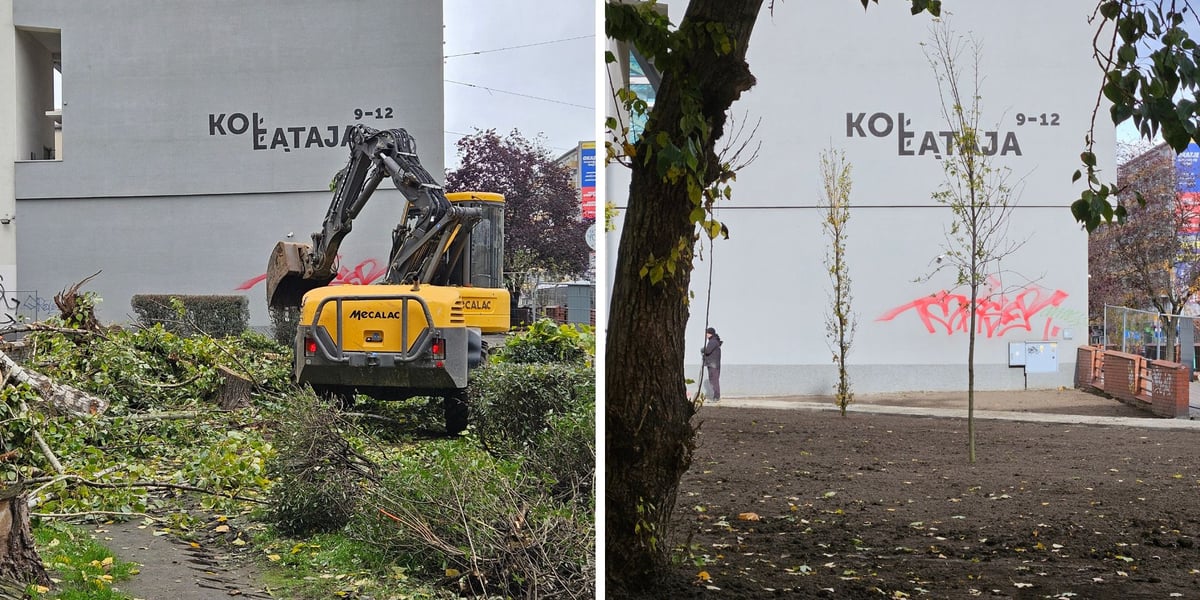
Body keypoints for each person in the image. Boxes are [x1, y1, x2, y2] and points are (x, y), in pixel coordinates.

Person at [701, 327, 722, 402]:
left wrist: (703, 349)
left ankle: (716, 397)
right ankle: (715, 396)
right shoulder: (713, 341)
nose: (706, 335)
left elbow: (707, 351)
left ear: (710, 333)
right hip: (713, 364)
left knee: (714, 381)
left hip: (713, 365)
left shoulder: (713, 341)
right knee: (713, 380)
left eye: (706, 333)